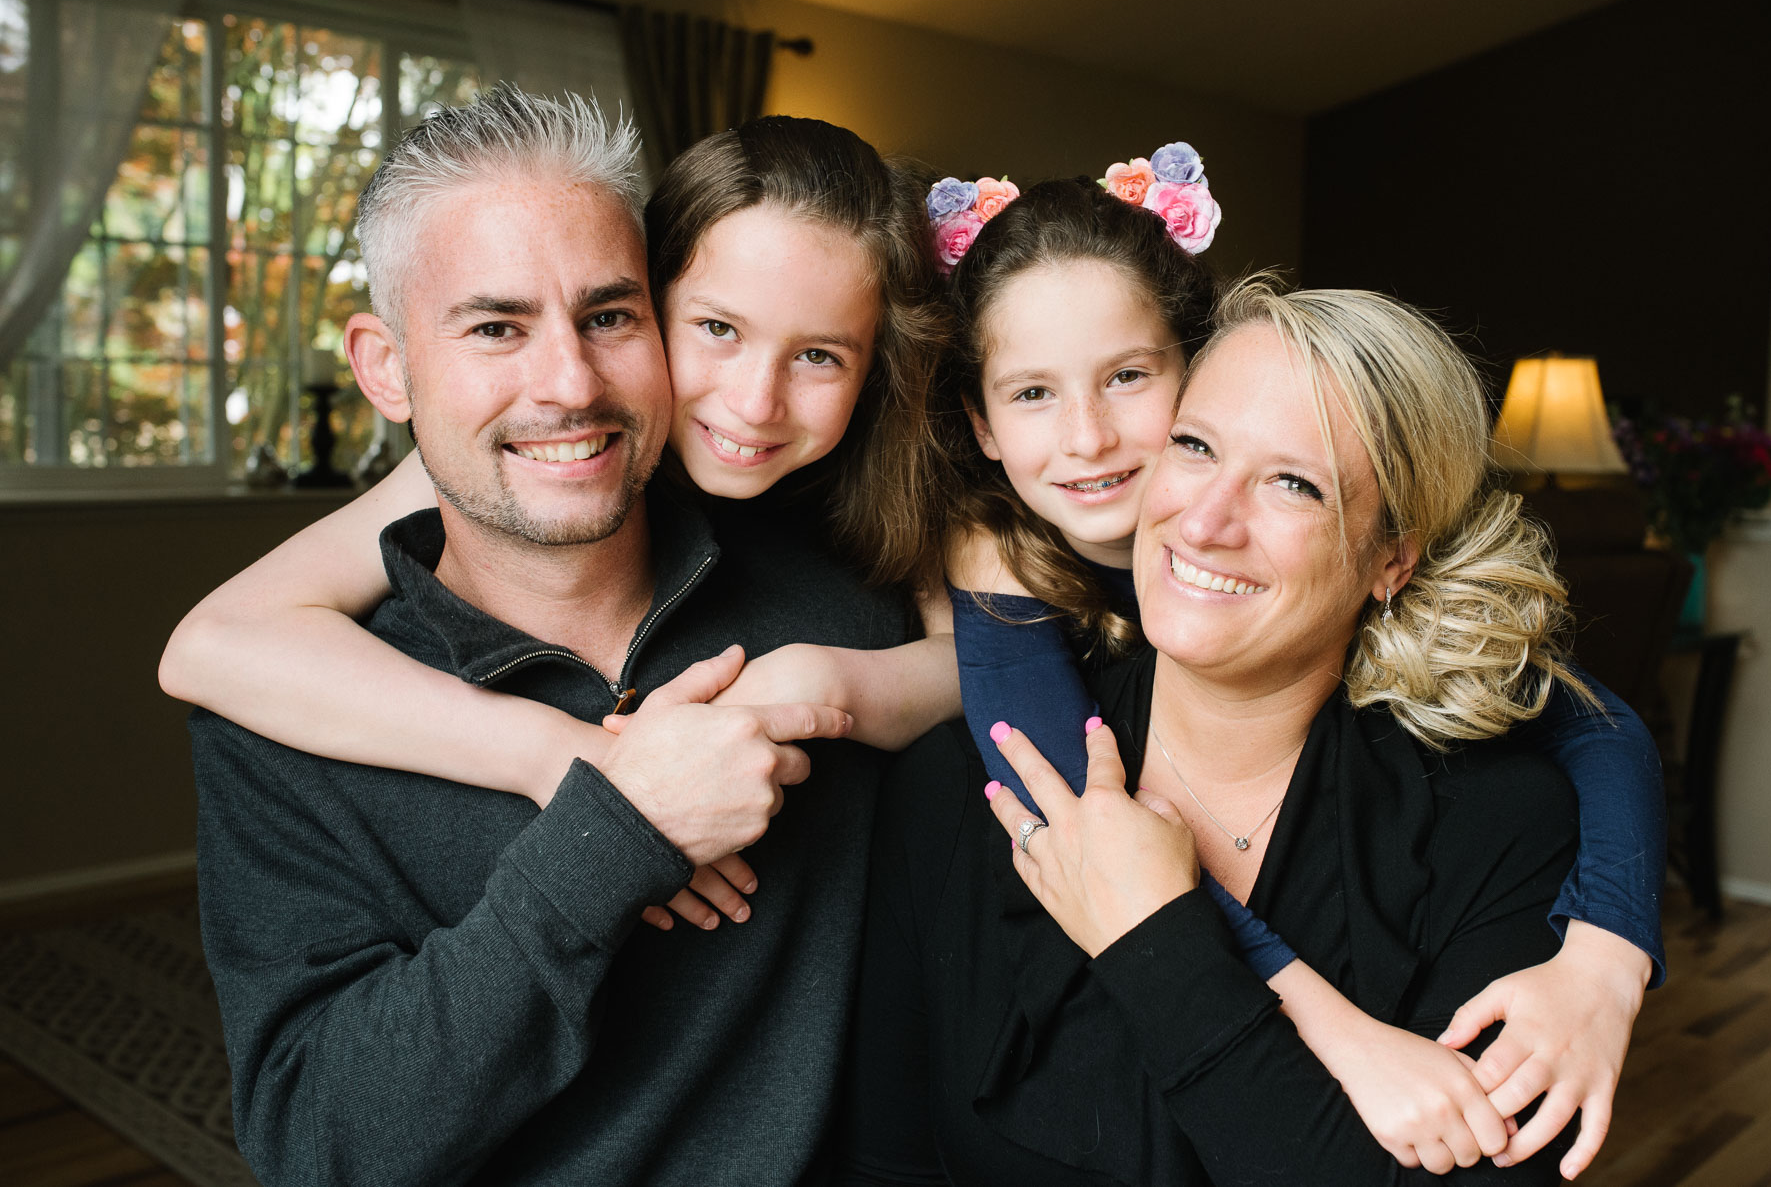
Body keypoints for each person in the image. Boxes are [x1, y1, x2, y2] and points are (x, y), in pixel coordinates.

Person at [192, 86, 903, 1185]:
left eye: (610, 316)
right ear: (387, 368)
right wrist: (609, 833)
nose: (569, 383)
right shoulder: (284, 717)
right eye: (495, 327)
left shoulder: (847, 616)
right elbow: (320, 1144)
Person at [903, 173, 1660, 1176]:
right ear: (984, 425)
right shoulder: (990, 662)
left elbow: (1595, 723)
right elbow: (1070, 824)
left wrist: (1611, 947)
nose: (1205, 518)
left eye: (1294, 481)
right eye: (1198, 447)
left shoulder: (1492, 822)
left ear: (1395, 556)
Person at [162, 107, 957, 932]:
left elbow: (997, 652)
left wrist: (821, 683)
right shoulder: (521, 445)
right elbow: (213, 644)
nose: (756, 402)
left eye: (820, 355)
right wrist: (564, 757)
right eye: (717, 329)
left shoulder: (916, 462)